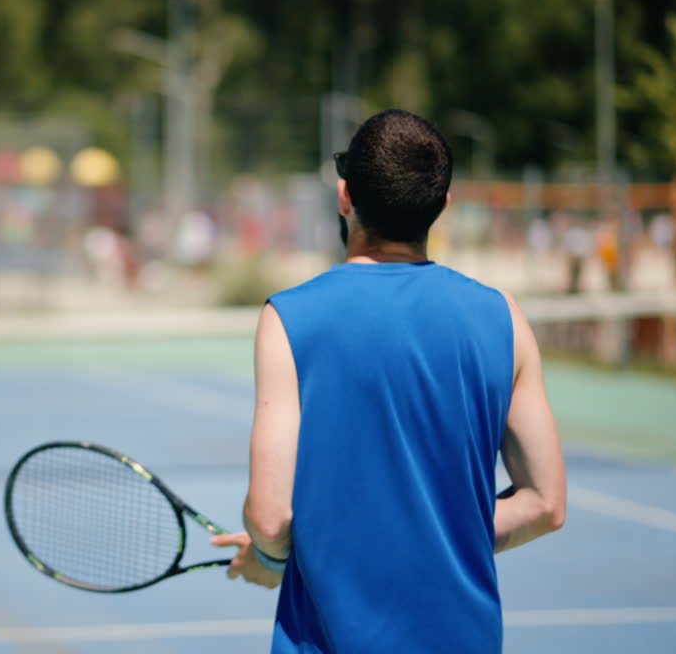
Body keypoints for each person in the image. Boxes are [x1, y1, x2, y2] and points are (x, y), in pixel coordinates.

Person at [209, 110, 567, 652]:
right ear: (442, 207)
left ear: (344, 195)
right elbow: (546, 503)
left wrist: (270, 556)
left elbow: (271, 515)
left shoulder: (290, 317)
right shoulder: (504, 318)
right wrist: (437, 536)